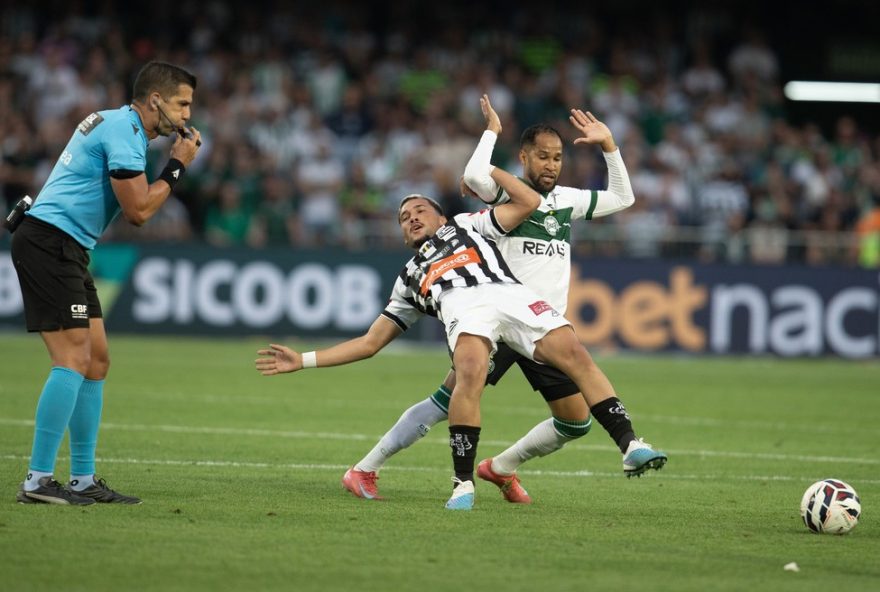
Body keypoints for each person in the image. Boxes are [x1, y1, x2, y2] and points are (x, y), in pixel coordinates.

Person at [257, 96, 650, 511]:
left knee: (575, 421)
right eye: (403, 215)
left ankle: (500, 467)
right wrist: (304, 359)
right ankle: (385, 471)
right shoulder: (465, 230)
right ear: (525, 157)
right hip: (487, 321)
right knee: (449, 398)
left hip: (533, 320)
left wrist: (609, 145)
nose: (410, 216)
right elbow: (371, 342)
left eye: (557, 157)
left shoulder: (538, 208)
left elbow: (620, 199)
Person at [11, 61, 202, 505]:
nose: (188, 114)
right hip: (49, 243)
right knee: (73, 358)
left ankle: (82, 479)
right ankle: (37, 480)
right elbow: (138, 212)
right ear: (156, 100)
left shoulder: (120, 125)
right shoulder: (124, 131)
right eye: (182, 103)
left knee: (96, 360)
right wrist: (176, 166)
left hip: (69, 247)